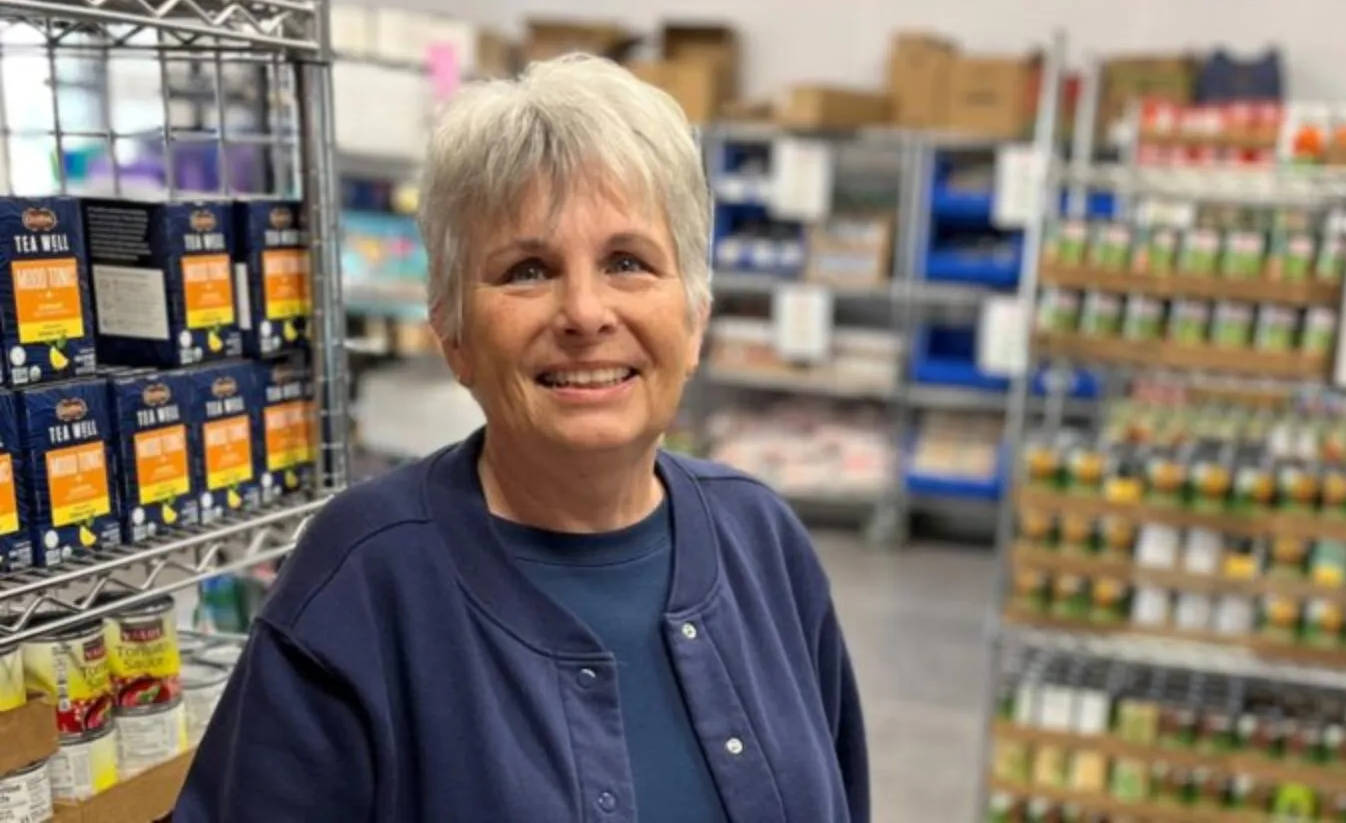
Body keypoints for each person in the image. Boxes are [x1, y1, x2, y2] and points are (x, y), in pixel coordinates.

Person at [174, 53, 869, 822]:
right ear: (453, 333)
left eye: (628, 262)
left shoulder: (762, 539)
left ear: (695, 318)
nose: (585, 313)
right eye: (528, 270)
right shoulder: (365, 580)